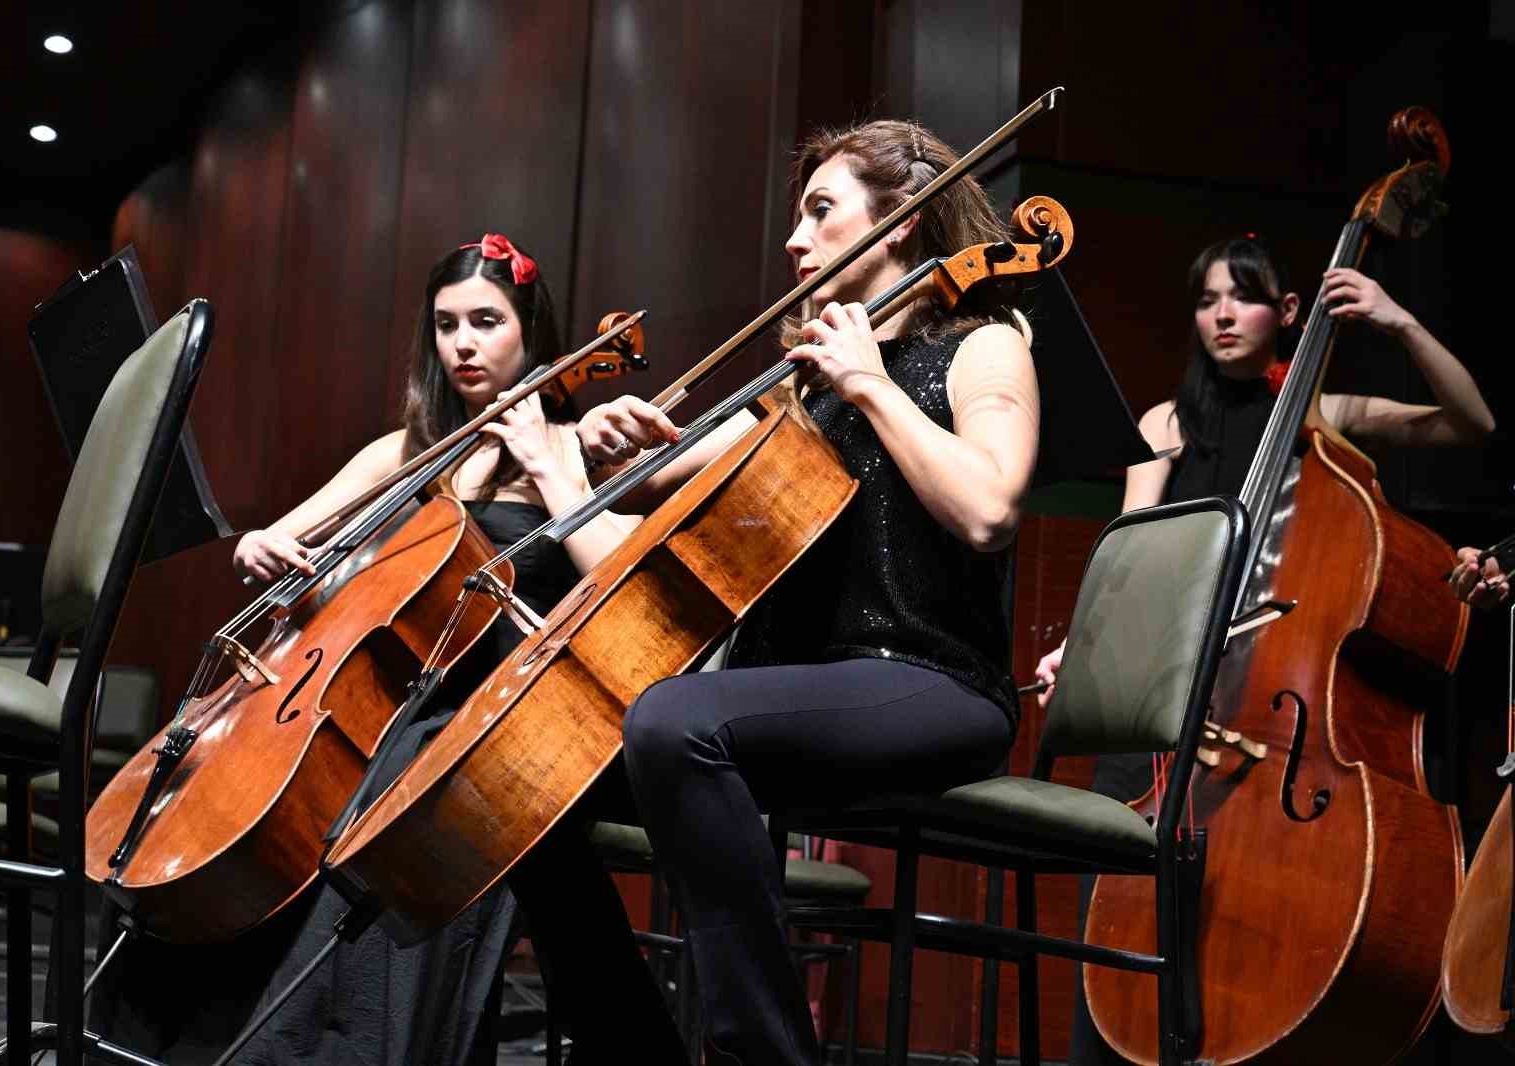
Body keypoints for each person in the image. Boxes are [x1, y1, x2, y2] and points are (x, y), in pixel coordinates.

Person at [92, 234, 642, 1066]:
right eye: (446, 324)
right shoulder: (407, 453)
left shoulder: (578, 451)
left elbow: (626, 586)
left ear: (531, 332)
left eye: (486, 321)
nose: (462, 343)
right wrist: (267, 547)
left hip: (490, 713)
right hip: (378, 698)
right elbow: (277, 539)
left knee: (395, 795)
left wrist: (552, 463)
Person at [566, 118, 1038, 1065]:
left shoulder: (984, 347)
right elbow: (658, 479)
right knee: (534, 801)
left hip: (933, 681)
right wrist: (599, 439)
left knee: (674, 722)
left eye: (821, 211)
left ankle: (766, 1055)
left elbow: (988, 509)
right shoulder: (800, 386)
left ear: (899, 221)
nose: (793, 239)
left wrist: (871, 385)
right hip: (795, 690)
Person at [1029, 236, 1495, 1064]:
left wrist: (1398, 322)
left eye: (1240, 298)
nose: (1221, 316)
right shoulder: (1163, 426)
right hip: (1166, 708)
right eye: (1207, 301)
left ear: (1286, 313)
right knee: (1123, 919)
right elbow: (1130, 555)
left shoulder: (1324, 420)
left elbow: (1473, 421)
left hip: (1271, 721)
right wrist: (1080, 645)